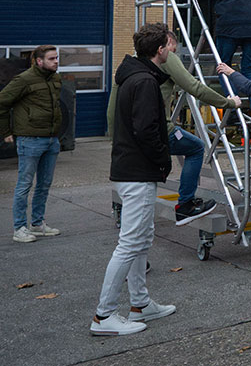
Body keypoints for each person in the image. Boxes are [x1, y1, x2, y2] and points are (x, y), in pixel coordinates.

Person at [91, 23, 178, 336]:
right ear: (160, 50)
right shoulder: (145, 82)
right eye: (171, 47)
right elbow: (146, 129)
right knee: (129, 244)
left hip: (131, 170)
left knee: (141, 239)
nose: (173, 53)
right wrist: (163, 159)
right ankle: (104, 315)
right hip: (137, 172)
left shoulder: (134, 76)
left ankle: (140, 304)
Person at [108, 31, 243, 225]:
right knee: (196, 147)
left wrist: (115, 137)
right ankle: (186, 204)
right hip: (156, 130)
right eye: (173, 47)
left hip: (128, 137)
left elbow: (112, 108)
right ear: (163, 46)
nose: (174, 53)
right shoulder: (162, 63)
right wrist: (228, 102)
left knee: (138, 226)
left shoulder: (131, 66)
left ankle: (185, 199)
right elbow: (195, 87)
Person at [0, 44, 63, 243]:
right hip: (30, 140)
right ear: (39, 61)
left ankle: (38, 224)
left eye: (56, 58)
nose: (56, 62)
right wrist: (6, 132)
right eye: (51, 59)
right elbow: (0, 103)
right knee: (24, 185)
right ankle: (19, 228)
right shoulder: (24, 79)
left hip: (51, 139)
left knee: (44, 184)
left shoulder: (55, 79)